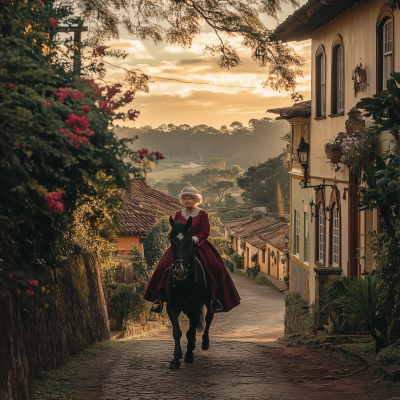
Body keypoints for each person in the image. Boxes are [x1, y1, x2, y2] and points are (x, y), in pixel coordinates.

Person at [143, 186, 241, 314]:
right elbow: (176, 230)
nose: (187, 201)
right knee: (162, 267)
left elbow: (205, 231)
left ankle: (215, 298)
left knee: (214, 266)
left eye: (189, 198)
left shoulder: (203, 214)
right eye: (184, 198)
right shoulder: (178, 214)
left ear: (196, 200)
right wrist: (180, 240)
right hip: (180, 246)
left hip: (199, 245)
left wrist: (194, 239)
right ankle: (159, 298)